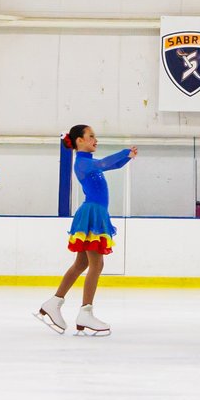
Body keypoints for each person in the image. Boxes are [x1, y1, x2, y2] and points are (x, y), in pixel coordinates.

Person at [41, 124, 133, 336]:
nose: (95, 140)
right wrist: (123, 152)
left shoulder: (88, 162)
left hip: (95, 212)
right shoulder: (82, 163)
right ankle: (86, 312)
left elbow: (112, 166)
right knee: (96, 263)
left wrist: (127, 157)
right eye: (91, 136)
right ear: (79, 141)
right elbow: (104, 163)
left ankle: (53, 303)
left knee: (82, 263)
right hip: (92, 213)